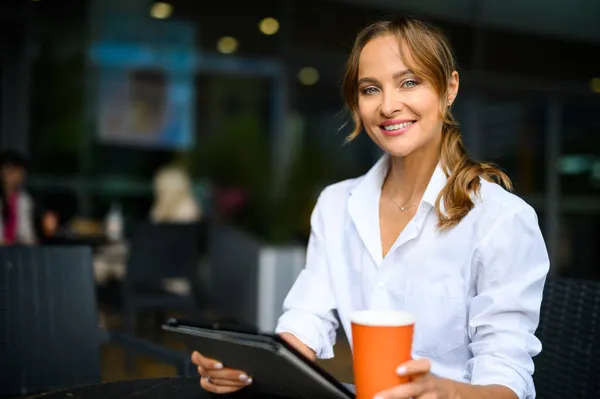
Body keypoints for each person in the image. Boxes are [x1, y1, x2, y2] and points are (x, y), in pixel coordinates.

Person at [191, 17, 549, 399]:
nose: (388, 106)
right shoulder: (336, 205)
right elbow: (307, 317)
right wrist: (252, 369)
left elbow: (507, 378)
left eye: (409, 82)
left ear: (449, 89)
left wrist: (447, 392)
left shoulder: (501, 220)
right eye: (370, 89)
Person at [0, 151, 36, 245]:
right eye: (10, 171)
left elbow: (27, 235)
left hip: (16, 252)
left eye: (19, 171)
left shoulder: (25, 200)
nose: (15, 176)